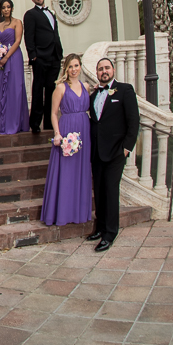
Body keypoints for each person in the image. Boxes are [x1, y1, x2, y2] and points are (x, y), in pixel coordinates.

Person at [87, 57, 140, 252]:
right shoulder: (93, 96)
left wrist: (127, 147)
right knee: (99, 191)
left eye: (107, 68)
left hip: (116, 151)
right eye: (100, 69)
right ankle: (100, 228)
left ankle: (110, 233)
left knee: (110, 191)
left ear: (113, 69)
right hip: (97, 151)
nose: (104, 71)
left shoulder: (125, 90)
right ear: (97, 73)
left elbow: (133, 121)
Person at [38, 54, 93, 228]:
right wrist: (57, 134)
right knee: (66, 173)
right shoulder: (61, 88)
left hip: (84, 130)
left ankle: (79, 212)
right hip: (67, 129)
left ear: (80, 67)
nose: (74, 69)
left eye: (76, 65)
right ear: (66, 69)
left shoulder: (86, 86)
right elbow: (53, 113)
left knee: (81, 171)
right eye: (70, 66)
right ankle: (62, 212)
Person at [23, 0, 63, 135]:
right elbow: (29, 36)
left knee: (52, 91)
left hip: (54, 57)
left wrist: (59, 52)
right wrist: (33, 55)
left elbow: (54, 33)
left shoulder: (51, 13)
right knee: (38, 90)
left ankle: (49, 122)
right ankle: (35, 123)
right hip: (40, 57)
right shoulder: (30, 14)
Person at [0, 0, 30, 135]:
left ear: (12, 8)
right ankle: (2, 124)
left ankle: (15, 123)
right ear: (1, 10)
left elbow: (18, 41)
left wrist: (7, 56)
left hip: (13, 57)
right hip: (1, 60)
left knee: (15, 88)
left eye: (8, 7)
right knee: (3, 89)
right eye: (3, 7)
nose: (6, 9)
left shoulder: (17, 22)